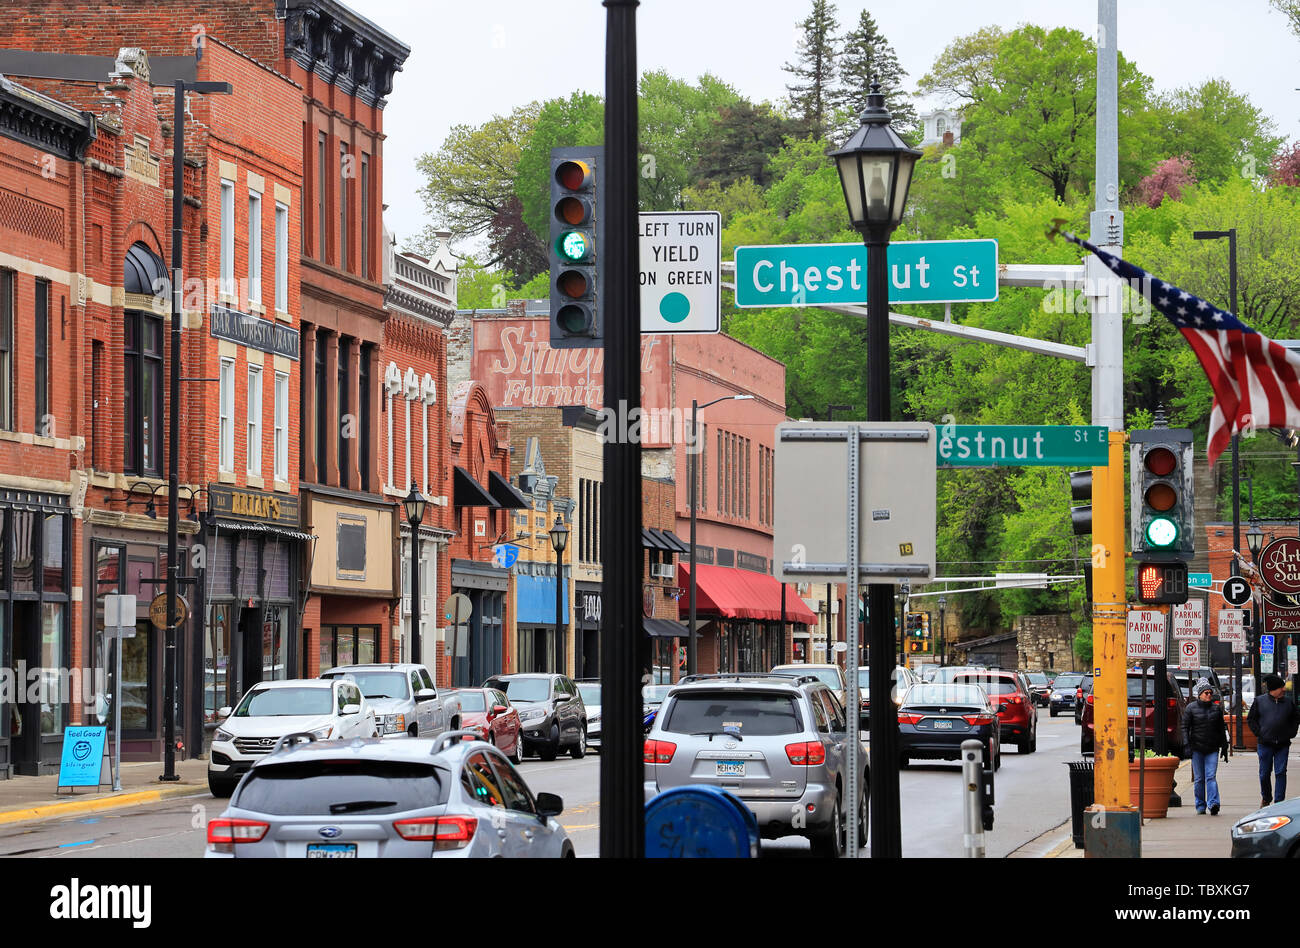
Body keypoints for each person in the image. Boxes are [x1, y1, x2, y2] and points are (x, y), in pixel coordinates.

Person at [1246, 673, 1300, 807]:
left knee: (1281, 772)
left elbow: (1296, 718)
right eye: (1281, 687)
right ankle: (1266, 797)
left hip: (1283, 744)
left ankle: (1279, 802)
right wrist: (1259, 733)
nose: (1284, 690)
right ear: (1273, 689)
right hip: (1265, 744)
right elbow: (1251, 719)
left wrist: (1292, 732)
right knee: (1264, 773)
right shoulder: (1259, 701)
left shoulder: (1288, 703)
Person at [1182, 678, 1230, 815]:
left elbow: (1221, 728)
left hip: (1212, 748)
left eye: (1210, 693)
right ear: (1200, 694)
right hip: (1196, 748)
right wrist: (1186, 745)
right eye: (1206, 693)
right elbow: (1184, 727)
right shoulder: (1190, 708)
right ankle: (1200, 805)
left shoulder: (1216, 709)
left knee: (1210, 776)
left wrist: (1224, 747)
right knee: (1199, 778)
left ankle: (1213, 803)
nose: (1209, 695)